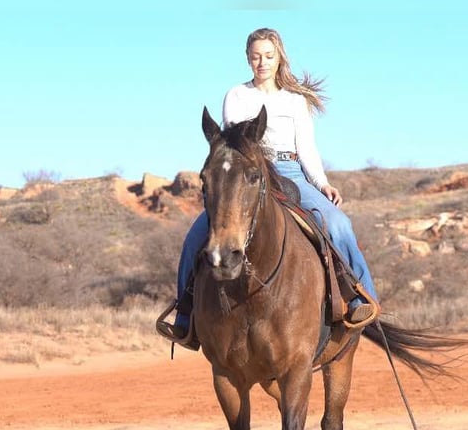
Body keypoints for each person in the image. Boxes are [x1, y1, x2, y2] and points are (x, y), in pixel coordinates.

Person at [157, 27, 379, 349]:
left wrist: (322, 183)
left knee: (338, 224)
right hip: (247, 173)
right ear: (248, 59)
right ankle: (185, 317)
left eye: (268, 56)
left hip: (292, 171)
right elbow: (234, 141)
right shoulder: (236, 95)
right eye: (256, 56)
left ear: (279, 58)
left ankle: (361, 298)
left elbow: (307, 149)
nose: (262, 62)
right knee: (195, 237)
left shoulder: (295, 101)